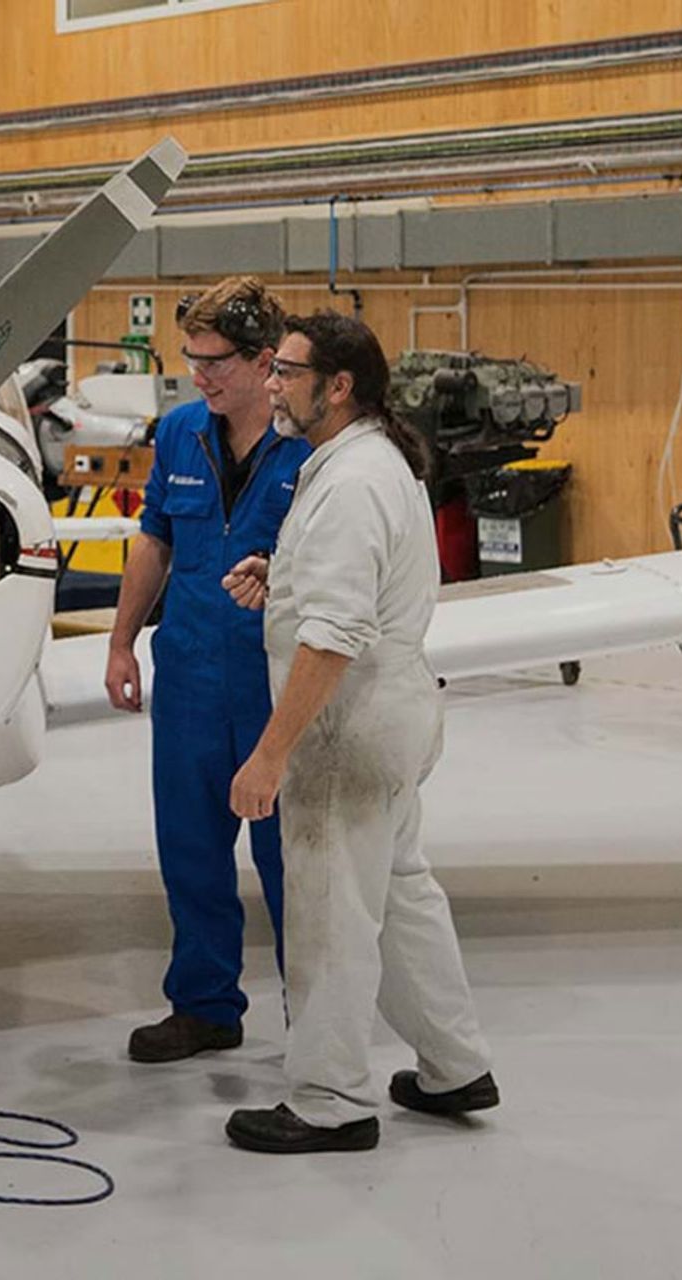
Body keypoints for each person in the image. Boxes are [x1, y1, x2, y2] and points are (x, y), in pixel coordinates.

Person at [218, 311, 497, 1154]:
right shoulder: (364, 463)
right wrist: (285, 576)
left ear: (338, 387)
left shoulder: (351, 483)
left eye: (286, 372)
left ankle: (330, 1100)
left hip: (347, 728)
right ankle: (454, 1067)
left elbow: (335, 637)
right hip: (391, 710)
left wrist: (270, 755)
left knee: (330, 913)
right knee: (401, 894)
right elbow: (354, 589)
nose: (271, 385)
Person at [105, 277, 310, 1063]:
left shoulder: (311, 449)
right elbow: (155, 537)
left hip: (276, 683)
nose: (199, 376)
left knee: (293, 858)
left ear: (265, 361)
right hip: (189, 673)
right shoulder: (181, 432)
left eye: (215, 361)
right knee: (190, 849)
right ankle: (204, 1007)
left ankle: (315, 1019)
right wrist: (122, 641)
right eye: (191, 358)